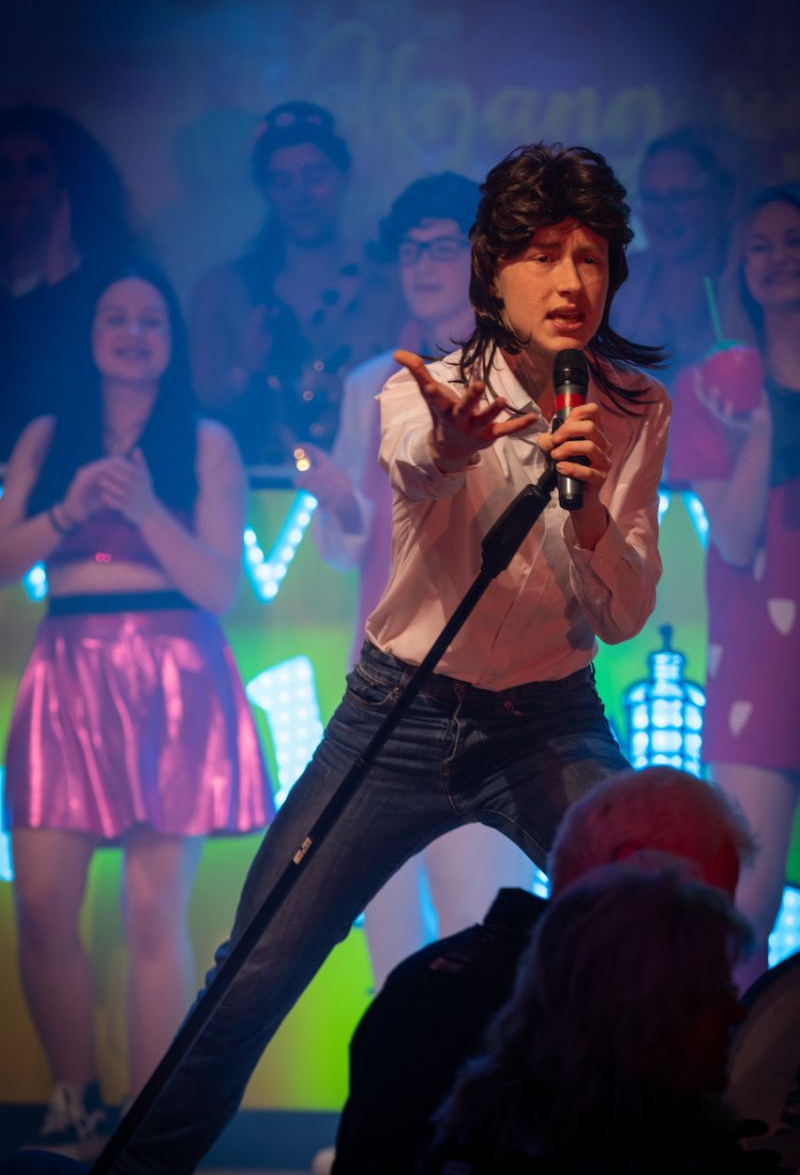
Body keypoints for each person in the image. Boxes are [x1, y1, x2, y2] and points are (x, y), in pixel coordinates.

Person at [105, 140, 671, 1175]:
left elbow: (624, 612)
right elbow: (418, 463)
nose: (570, 281)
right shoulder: (422, 388)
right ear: (491, 270)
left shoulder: (632, 410)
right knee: (253, 971)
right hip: (397, 716)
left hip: (547, 719)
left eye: (590, 258)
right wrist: (455, 445)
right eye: (543, 254)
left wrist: (588, 510)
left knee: (650, 924)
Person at [0, 264, 274, 1158]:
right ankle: (73, 1101)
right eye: (115, 318)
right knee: (43, 907)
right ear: (90, 334)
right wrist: (66, 511)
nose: (133, 333)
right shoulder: (48, 436)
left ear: (172, 339)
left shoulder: (204, 443)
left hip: (174, 673)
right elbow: (4, 561)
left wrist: (148, 509)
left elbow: (220, 589)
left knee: (154, 915)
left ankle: (146, 1126)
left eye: (151, 320)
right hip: (67, 669)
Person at [297, 172, 533, 989]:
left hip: (493, 677)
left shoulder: (527, 373)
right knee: (385, 910)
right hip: (390, 675)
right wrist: (340, 503)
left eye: (441, 247)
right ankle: (391, 1070)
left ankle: (483, 1071)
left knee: (481, 911)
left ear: (484, 259)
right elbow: (346, 547)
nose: (422, 265)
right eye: (409, 250)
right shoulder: (374, 382)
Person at [331, 765, 756, 1175]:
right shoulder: (612, 1032)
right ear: (631, 869)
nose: (733, 1011)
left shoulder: (416, 988)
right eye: (706, 910)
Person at [668, 186, 800, 991]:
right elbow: (736, 537)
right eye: (761, 245)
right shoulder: (713, 385)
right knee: (746, 902)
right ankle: (730, 1056)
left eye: (793, 239)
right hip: (758, 658)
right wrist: (762, 436)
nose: (780, 257)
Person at [427, 865, 754, 1174]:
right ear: (645, 1008)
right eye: (716, 993)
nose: (737, 1013)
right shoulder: (670, 1145)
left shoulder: (485, 1128)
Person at [189, 100, 401, 464]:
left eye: (314, 177)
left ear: (344, 176)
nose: (300, 196)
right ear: (265, 190)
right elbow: (199, 404)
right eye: (282, 182)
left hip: (364, 481)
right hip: (251, 483)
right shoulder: (225, 287)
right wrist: (243, 367)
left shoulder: (391, 282)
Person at [0, 104, 136, 459]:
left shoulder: (115, 287)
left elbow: (70, 392)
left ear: (68, 181)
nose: (18, 184)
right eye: (5, 170)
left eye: (35, 168)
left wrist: (59, 279)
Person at [612, 129, 735, 393]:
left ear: (718, 200)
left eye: (679, 197)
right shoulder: (622, 280)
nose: (664, 214)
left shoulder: (746, 278)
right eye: (653, 198)